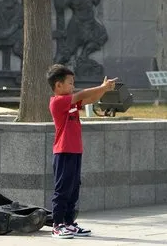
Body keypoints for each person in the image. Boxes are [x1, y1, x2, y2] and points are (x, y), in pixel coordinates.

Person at [46, 64, 117, 239]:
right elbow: (83, 94)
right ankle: (57, 225)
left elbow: (90, 99)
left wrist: (104, 89)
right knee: (62, 189)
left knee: (74, 188)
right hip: (63, 152)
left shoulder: (70, 102)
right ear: (58, 85)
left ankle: (69, 224)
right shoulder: (58, 102)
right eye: (70, 83)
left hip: (75, 150)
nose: (73, 86)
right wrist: (102, 87)